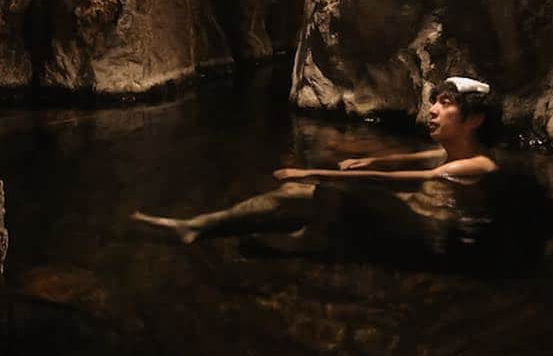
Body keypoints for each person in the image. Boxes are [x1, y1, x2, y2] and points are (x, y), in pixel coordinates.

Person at [131, 76, 499, 252]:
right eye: (436, 99)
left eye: (446, 103)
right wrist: (372, 156)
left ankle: (304, 242)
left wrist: (311, 170)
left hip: (426, 233)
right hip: (410, 214)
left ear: (474, 119)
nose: (433, 109)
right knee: (294, 192)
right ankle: (198, 225)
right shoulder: (448, 151)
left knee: (330, 191)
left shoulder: (478, 166)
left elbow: (406, 176)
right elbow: (408, 160)